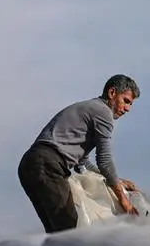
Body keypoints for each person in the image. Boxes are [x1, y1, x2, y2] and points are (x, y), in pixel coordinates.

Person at [18, 74, 141, 233]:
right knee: (69, 230)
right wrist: (124, 200)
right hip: (48, 164)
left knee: (56, 234)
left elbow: (83, 165)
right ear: (112, 93)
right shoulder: (103, 112)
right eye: (126, 101)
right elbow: (104, 161)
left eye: (131, 105)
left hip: (30, 164)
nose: (127, 109)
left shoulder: (89, 109)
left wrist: (117, 180)